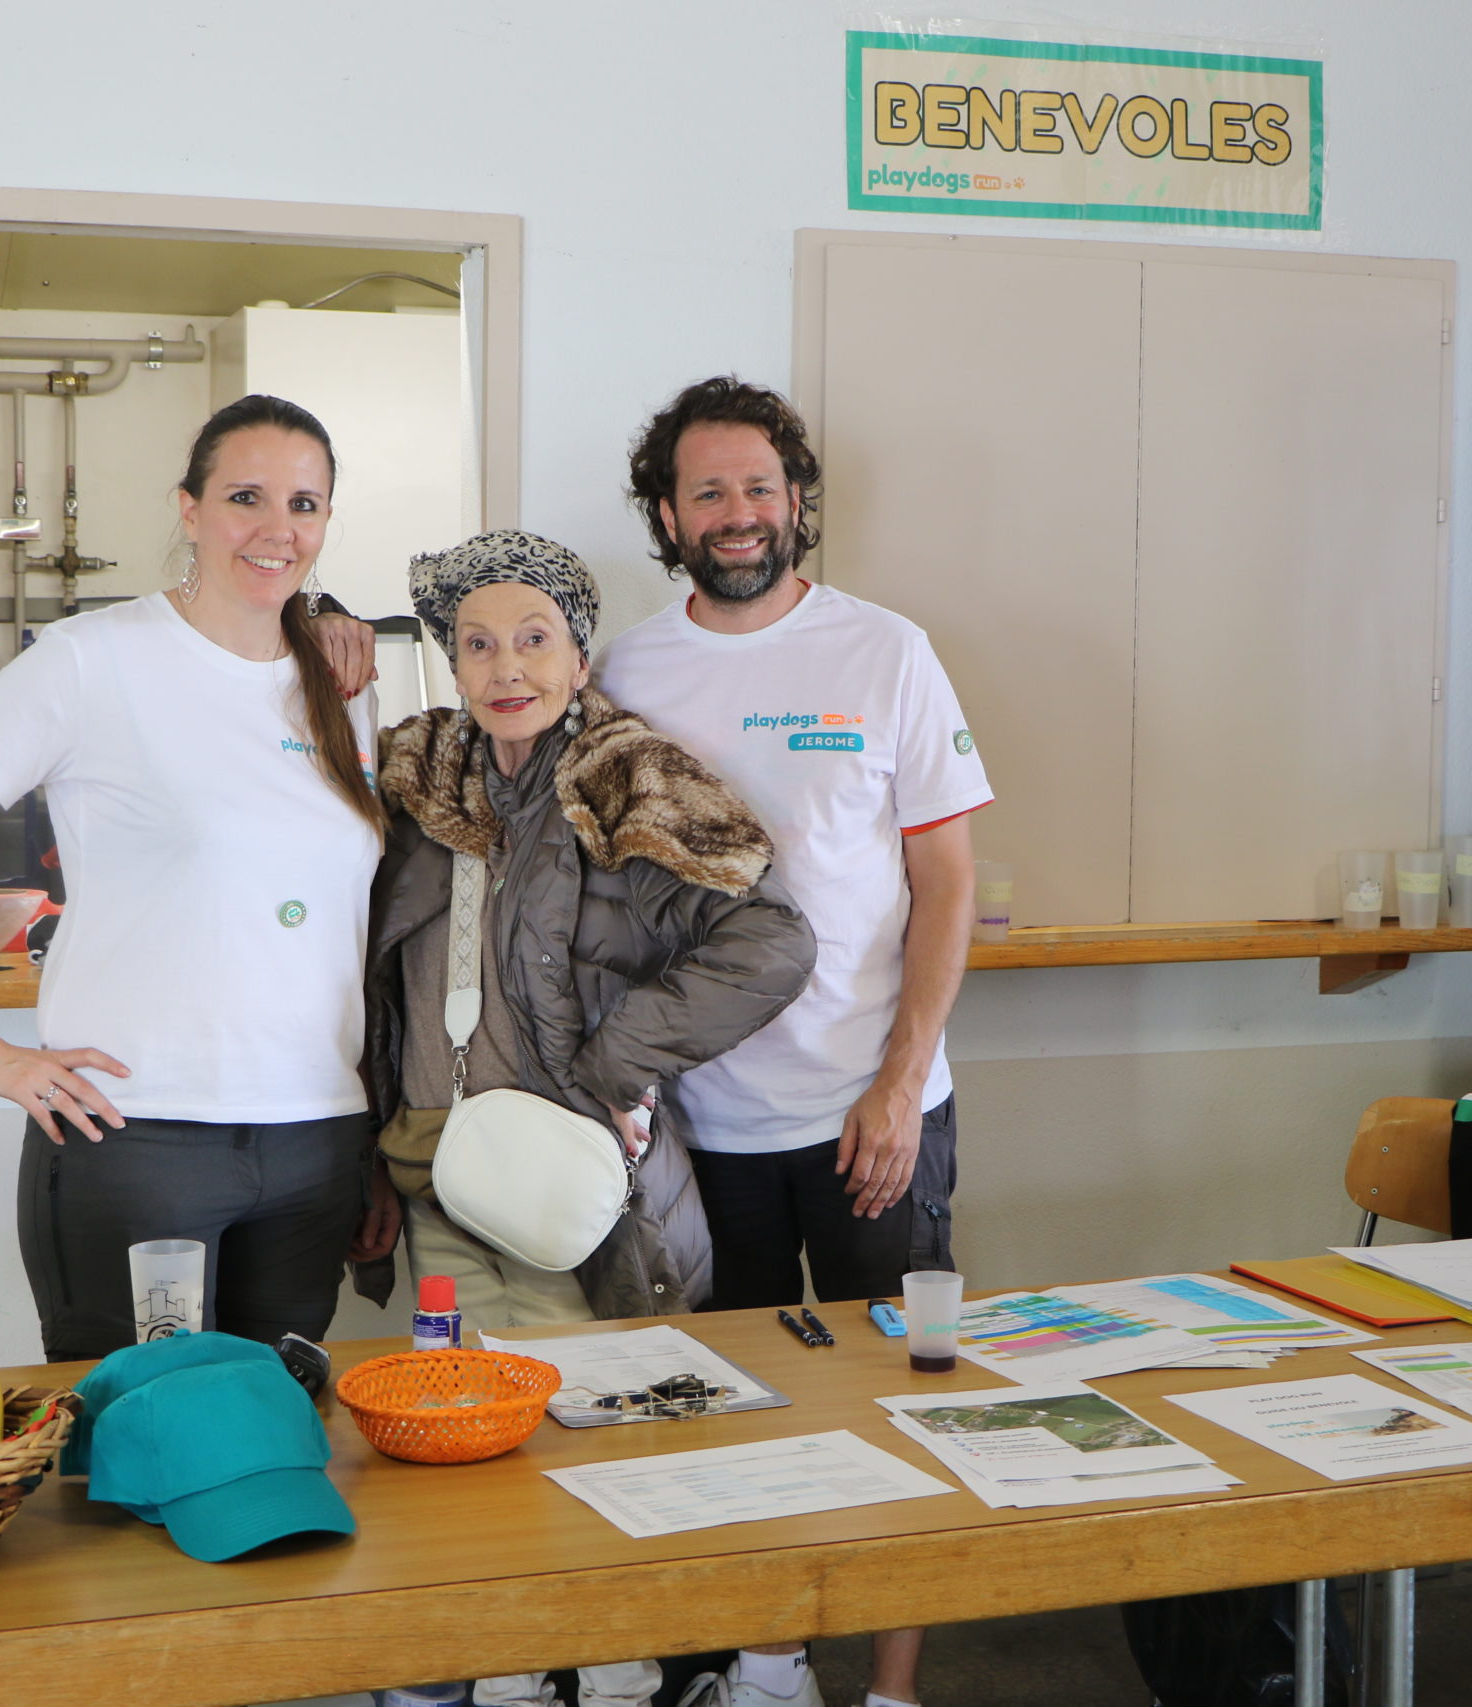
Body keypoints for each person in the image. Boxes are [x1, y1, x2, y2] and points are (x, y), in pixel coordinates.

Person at [0, 393, 399, 1362]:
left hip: (314, 1140)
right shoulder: (92, 660)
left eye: (304, 504)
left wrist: (371, 1142)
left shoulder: (340, 688)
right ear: (189, 508)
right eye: (246, 497)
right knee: (136, 1432)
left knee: (271, 1428)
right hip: (139, 1137)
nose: (278, 529)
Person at [363, 528, 816, 1707]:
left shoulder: (630, 780)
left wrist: (616, 1062)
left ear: (577, 653)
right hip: (429, 1171)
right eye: (476, 644)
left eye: (533, 638)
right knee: (469, 1436)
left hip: (560, 1180)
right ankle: (517, 1670)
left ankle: (611, 1674)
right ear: (449, 661)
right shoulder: (414, 786)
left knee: (588, 1433)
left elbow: (770, 943)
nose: (506, 666)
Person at [599, 377, 991, 1707]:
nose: (739, 512)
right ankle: (771, 1666)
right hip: (706, 1131)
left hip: (873, 1112)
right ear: (668, 514)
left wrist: (899, 1084)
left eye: (759, 486)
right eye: (708, 490)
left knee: (900, 1396)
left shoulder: (887, 650)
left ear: (795, 499)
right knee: (739, 1405)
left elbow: (945, 882)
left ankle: (892, 1688)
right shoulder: (625, 671)